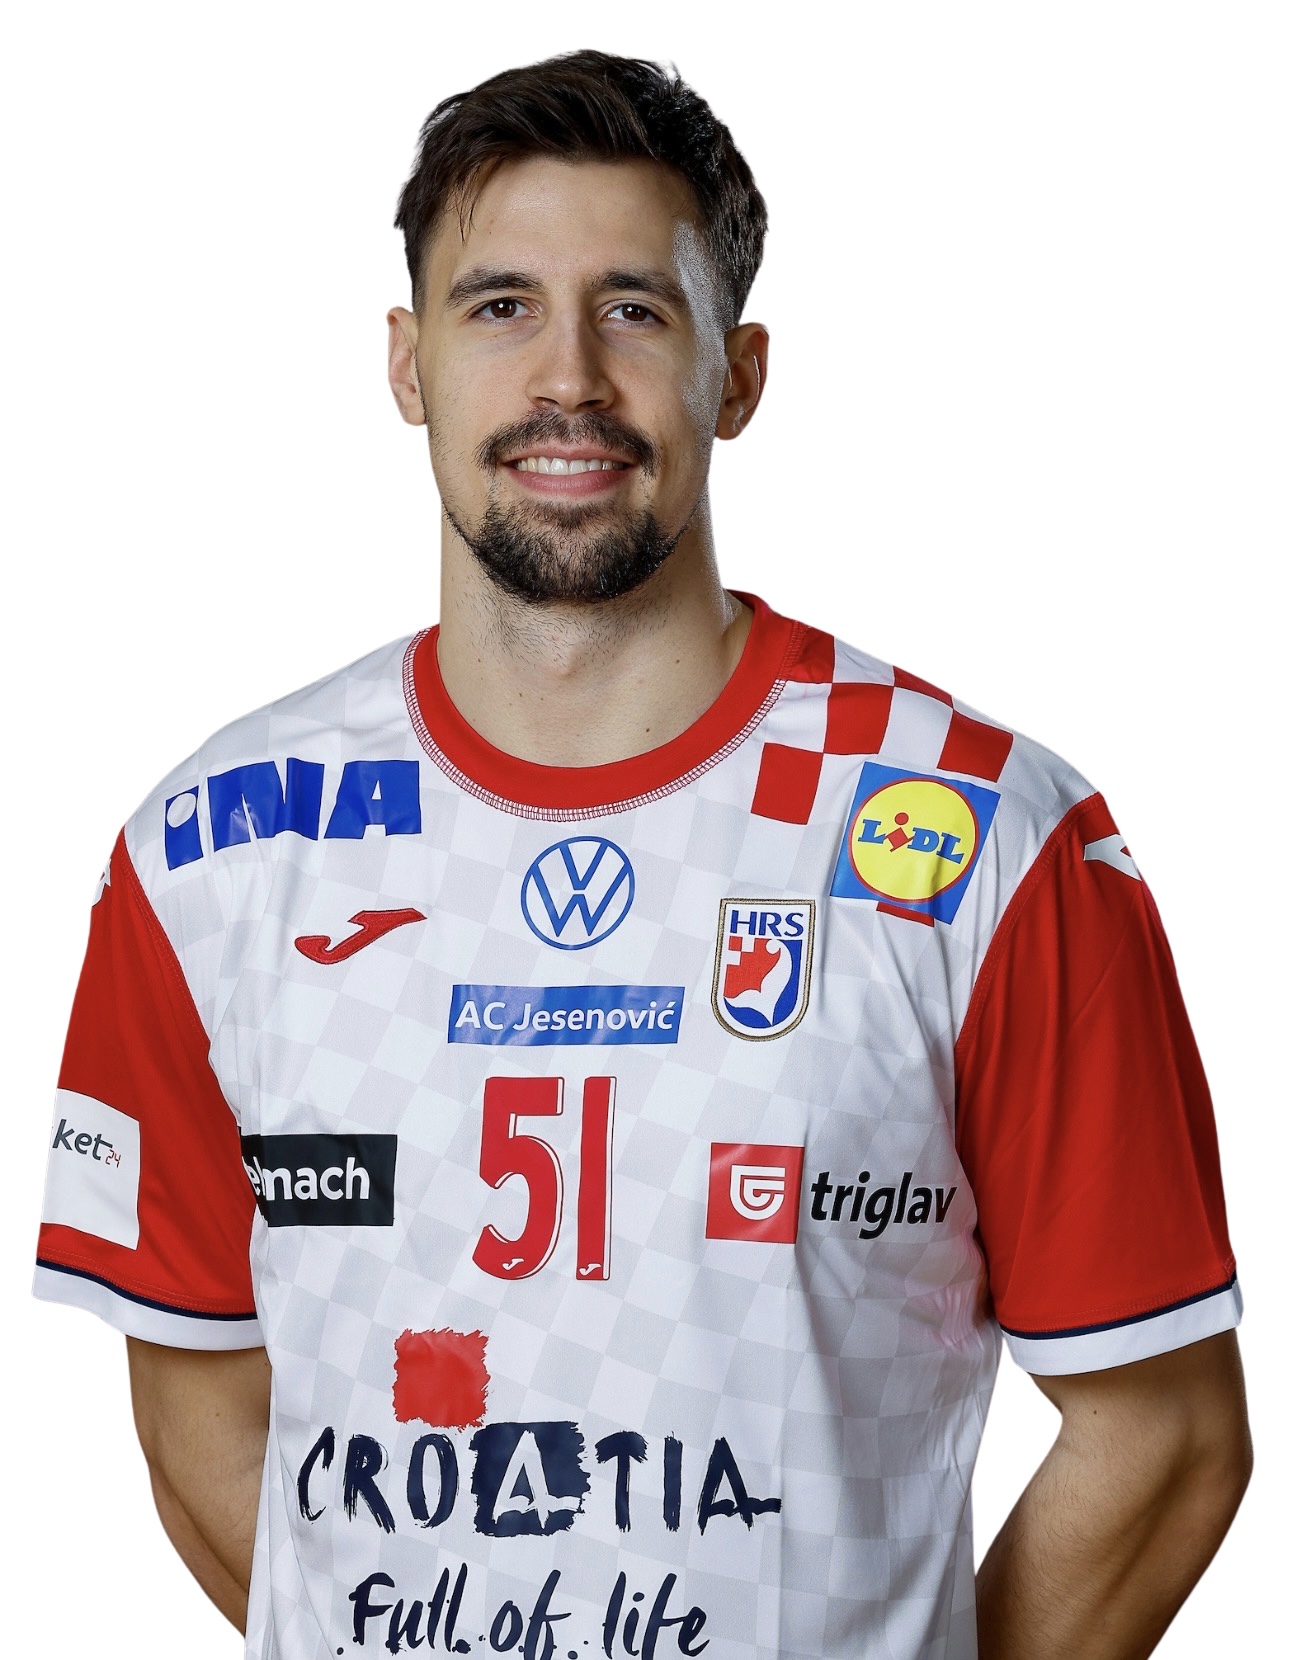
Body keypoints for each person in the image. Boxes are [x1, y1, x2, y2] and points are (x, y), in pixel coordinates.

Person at [34, 48, 1250, 1660]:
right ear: (404, 363)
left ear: (735, 375)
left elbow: (1164, 1442)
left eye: (632, 310)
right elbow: (197, 1402)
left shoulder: (981, 838)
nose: (568, 381)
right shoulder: (212, 854)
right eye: (498, 307)